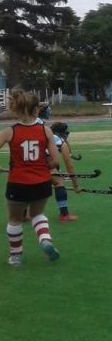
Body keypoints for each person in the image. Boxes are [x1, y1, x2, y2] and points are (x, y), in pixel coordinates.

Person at [0, 89, 61, 267]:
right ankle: (45, 240)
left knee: (15, 220)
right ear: (36, 111)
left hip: (17, 183)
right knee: (37, 214)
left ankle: (16, 256)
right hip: (41, 182)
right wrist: (45, 165)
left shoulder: (9, 132)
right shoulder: (46, 131)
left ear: (17, 110)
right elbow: (55, 161)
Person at [49, 122, 81, 223]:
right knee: (59, 182)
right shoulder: (58, 140)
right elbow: (69, 166)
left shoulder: (40, 134)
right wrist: (76, 185)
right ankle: (64, 215)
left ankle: (23, 214)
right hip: (46, 168)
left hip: (29, 167)